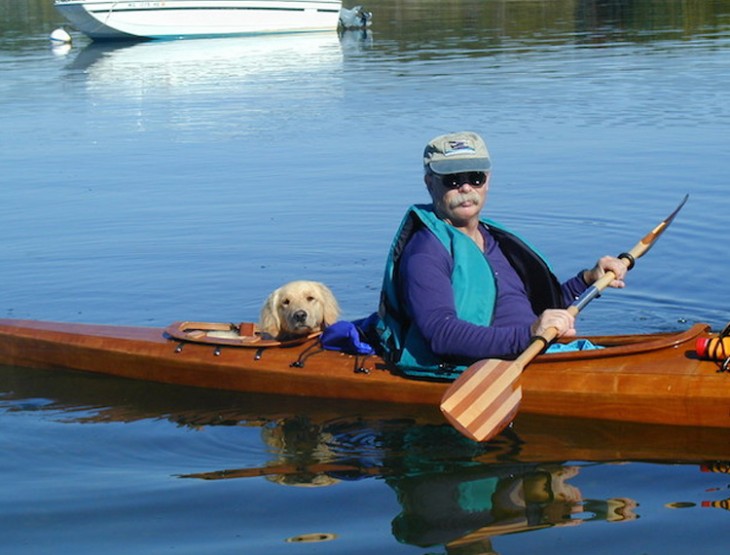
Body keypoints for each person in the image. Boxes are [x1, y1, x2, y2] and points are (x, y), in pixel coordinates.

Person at [376, 131, 628, 378]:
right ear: (430, 183)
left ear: (488, 180)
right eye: (452, 180)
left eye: (474, 177)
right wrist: (529, 334)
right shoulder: (425, 252)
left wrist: (587, 279)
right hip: (481, 367)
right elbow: (442, 334)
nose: (465, 187)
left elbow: (542, 308)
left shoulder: (495, 239)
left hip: (534, 351)